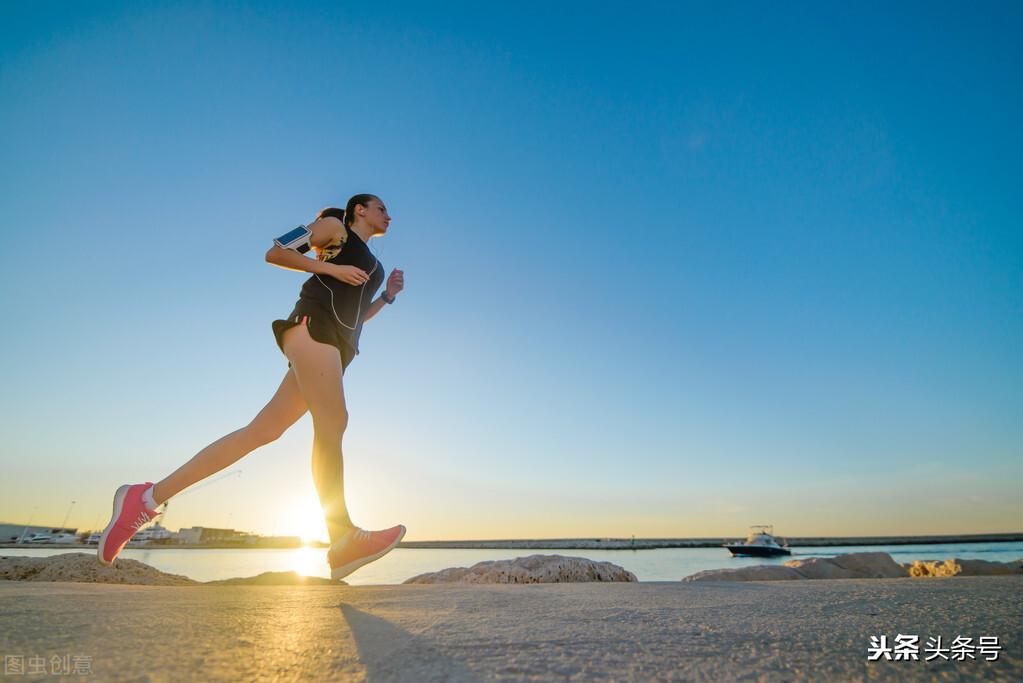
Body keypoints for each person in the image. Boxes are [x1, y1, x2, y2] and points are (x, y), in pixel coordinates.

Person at [96, 194, 406, 581]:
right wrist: (328, 270)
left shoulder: (371, 262)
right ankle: (342, 539)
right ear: (359, 209)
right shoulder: (335, 229)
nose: (388, 216)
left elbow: (357, 314)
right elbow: (276, 252)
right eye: (381, 208)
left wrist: (388, 298)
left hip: (335, 347)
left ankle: (144, 499)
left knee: (262, 432)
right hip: (313, 331)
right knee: (334, 423)